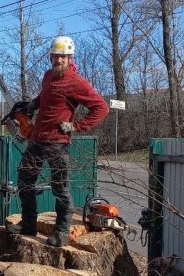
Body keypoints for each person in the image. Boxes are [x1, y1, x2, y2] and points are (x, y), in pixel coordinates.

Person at [6, 35, 109, 247]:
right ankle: (28, 224)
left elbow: (101, 108)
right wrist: (33, 106)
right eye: (56, 56)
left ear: (70, 58)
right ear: (51, 57)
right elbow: (45, 96)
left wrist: (76, 126)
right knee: (24, 181)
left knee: (60, 188)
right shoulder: (48, 76)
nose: (59, 60)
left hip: (57, 143)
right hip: (37, 138)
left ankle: (62, 232)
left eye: (63, 57)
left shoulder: (77, 82)